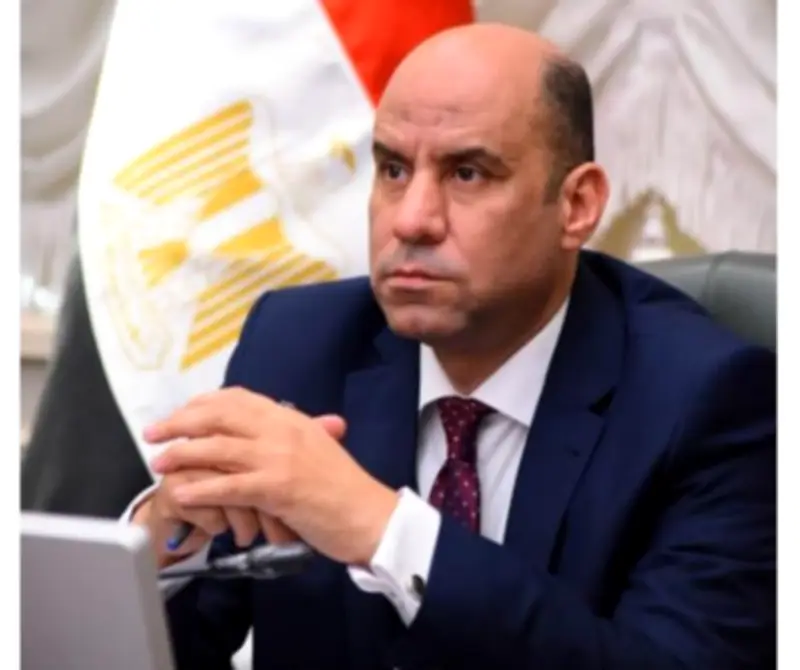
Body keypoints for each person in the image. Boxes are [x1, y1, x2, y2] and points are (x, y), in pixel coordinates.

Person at [129, 24, 775, 669]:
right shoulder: (298, 343)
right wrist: (160, 541)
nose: (411, 219)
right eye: (393, 169)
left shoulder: (708, 402)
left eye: (467, 173)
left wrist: (383, 530)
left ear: (576, 205)